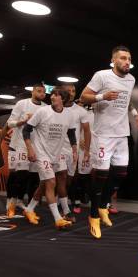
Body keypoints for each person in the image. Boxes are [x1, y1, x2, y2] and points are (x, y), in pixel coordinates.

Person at [80, 45, 138, 239]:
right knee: (101, 175)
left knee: (121, 173)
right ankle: (93, 217)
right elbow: (83, 97)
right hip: (103, 134)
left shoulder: (131, 79)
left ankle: (103, 205)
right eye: (123, 58)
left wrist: (134, 113)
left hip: (121, 133)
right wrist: (102, 96)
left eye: (129, 59)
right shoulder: (102, 76)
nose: (127, 62)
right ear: (114, 60)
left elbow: (126, 100)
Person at [23, 89, 86, 229]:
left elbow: (71, 132)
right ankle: (58, 218)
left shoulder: (68, 115)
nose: (52, 97)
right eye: (52, 94)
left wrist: (74, 149)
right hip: (41, 153)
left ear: (62, 99)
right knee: (51, 181)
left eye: (56, 95)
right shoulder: (43, 111)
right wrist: (30, 148)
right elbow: (26, 129)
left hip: (57, 153)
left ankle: (29, 209)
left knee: (45, 183)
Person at [5, 83, 46, 223]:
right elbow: (10, 123)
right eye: (39, 91)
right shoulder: (22, 104)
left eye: (44, 92)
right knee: (20, 175)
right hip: (21, 144)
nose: (42, 94)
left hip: (37, 146)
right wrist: (23, 121)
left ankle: (27, 206)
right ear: (33, 91)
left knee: (34, 178)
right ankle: (11, 202)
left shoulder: (45, 108)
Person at [55, 83, 91, 223]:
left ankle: (58, 199)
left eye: (74, 90)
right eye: (68, 90)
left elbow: (87, 131)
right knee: (62, 177)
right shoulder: (55, 108)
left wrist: (86, 150)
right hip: (57, 150)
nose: (71, 92)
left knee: (69, 180)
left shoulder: (81, 111)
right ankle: (66, 211)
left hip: (73, 150)